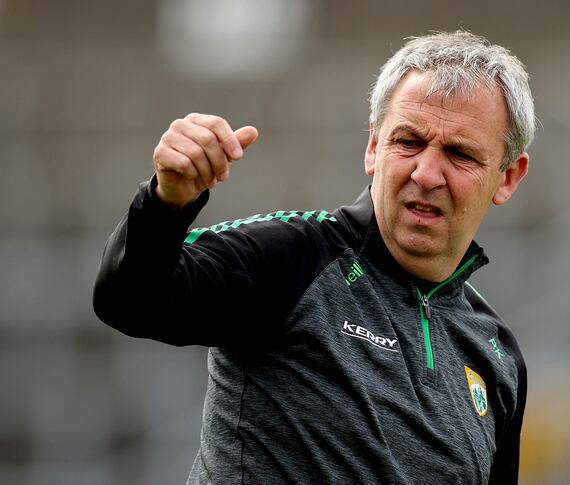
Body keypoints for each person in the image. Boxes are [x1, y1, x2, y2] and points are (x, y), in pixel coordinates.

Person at [94, 30, 535, 484]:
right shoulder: (292, 258)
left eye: (460, 154)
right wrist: (166, 203)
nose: (425, 174)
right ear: (373, 147)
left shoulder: (496, 353)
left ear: (507, 177)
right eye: (408, 141)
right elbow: (129, 300)